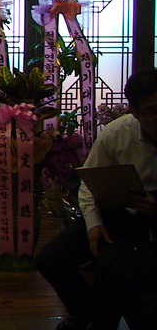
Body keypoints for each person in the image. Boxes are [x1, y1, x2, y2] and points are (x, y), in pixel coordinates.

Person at [36, 68, 157, 330]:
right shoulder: (118, 133)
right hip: (117, 211)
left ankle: (99, 322)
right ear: (134, 112)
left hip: (151, 223)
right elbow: (89, 182)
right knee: (51, 259)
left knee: (110, 265)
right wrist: (93, 223)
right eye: (152, 111)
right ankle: (89, 314)